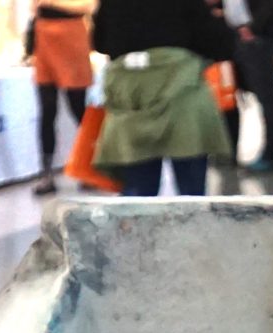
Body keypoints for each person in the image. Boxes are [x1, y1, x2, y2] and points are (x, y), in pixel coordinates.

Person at [91, 0, 237, 195]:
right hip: (181, 95)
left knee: (138, 193)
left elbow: (100, 43)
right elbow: (221, 45)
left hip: (132, 99)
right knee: (190, 192)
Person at [31, 0, 99, 195]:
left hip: (72, 35)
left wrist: (54, 2)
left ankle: (90, 167)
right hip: (44, 35)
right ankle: (46, 174)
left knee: (78, 107)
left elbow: (90, 5)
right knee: (47, 109)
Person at [234, 0, 273, 171]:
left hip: (259, 38)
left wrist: (252, 28)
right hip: (243, 36)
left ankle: (270, 153)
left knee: (266, 97)